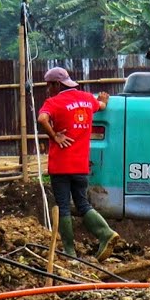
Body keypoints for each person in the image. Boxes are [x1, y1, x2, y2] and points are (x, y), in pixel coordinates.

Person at [37, 67, 122, 261]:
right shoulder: (86, 99)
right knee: (82, 203)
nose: (47, 90)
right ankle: (105, 233)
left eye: (48, 85)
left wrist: (54, 135)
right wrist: (104, 100)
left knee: (64, 206)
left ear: (57, 84)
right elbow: (100, 105)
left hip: (60, 165)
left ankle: (69, 251)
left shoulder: (53, 102)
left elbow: (42, 118)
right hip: (81, 165)